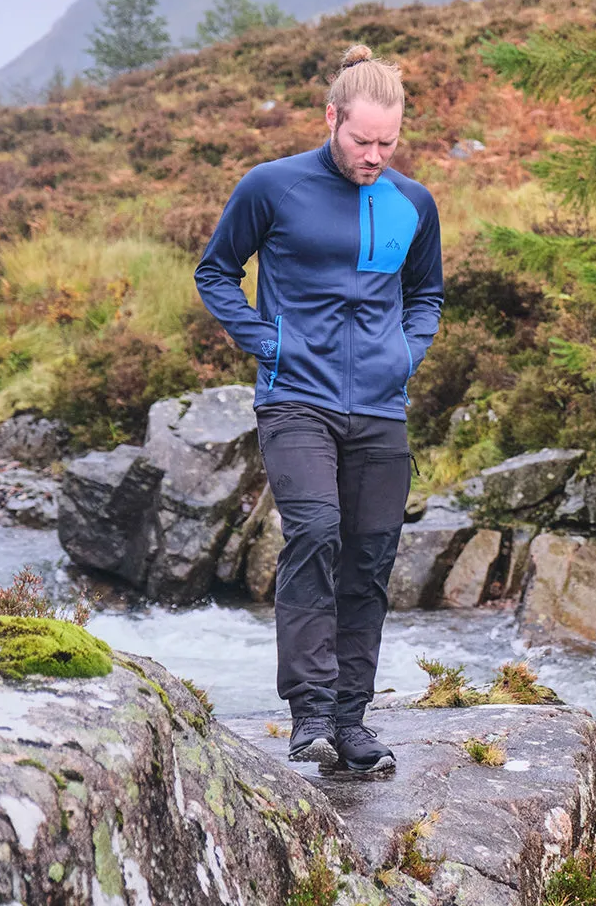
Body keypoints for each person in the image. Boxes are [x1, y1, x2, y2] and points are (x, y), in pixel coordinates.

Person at [194, 44, 443, 772]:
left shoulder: (412, 202)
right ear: (331, 118)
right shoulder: (271, 187)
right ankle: (309, 716)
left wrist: (407, 353)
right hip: (294, 397)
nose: (373, 155)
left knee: (370, 559)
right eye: (361, 139)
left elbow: (426, 294)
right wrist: (263, 340)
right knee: (316, 532)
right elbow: (215, 272)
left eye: (387, 143)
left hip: (379, 406)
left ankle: (351, 721)